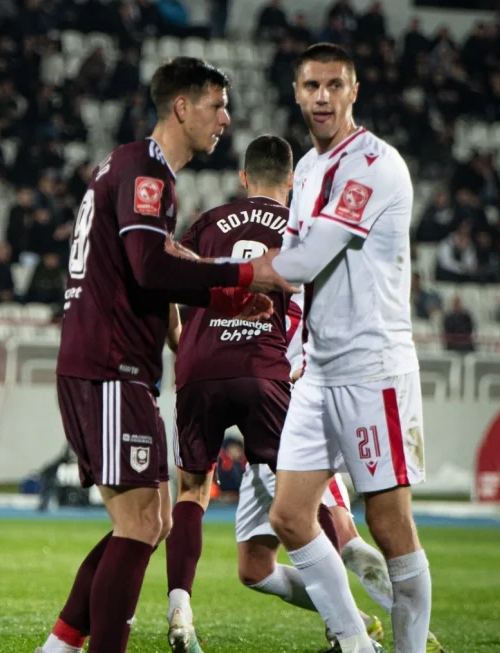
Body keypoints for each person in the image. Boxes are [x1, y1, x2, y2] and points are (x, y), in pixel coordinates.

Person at [32, 57, 297, 653]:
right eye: (216, 104)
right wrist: (245, 275)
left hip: (118, 365)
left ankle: (60, 646)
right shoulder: (145, 172)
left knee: (156, 520)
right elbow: (150, 269)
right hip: (108, 366)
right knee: (140, 524)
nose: (226, 118)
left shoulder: (130, 168)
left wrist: (211, 289)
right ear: (182, 106)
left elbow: (153, 257)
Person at [268, 43, 434, 653]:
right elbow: (293, 261)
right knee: (289, 516)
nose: (322, 97)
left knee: (390, 528)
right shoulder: (308, 170)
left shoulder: (374, 164)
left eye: (334, 85)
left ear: (354, 91)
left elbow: (305, 259)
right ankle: (354, 642)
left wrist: (212, 274)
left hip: (372, 369)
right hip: (320, 369)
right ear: (296, 92)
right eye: (311, 86)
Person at [162, 135, 298, 652]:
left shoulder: (209, 222)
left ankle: (180, 613)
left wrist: (182, 345)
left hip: (201, 365)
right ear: (291, 181)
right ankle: (345, 623)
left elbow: (166, 280)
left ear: (243, 179)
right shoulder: (298, 226)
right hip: (266, 365)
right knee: (302, 497)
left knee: (192, 491)